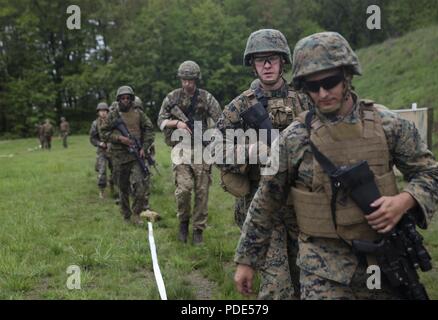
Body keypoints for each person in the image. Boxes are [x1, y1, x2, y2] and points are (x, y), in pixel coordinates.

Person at [234, 31, 438, 300]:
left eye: (331, 82)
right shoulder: (294, 138)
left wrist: (404, 201)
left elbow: (431, 172)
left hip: (384, 260)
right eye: (313, 87)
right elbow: (267, 200)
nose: (323, 93)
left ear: (347, 76)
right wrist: (246, 260)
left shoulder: (387, 125)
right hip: (323, 271)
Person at [215, 29, 312, 300]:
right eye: (260, 60)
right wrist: (249, 150)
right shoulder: (239, 106)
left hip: (303, 204)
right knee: (277, 287)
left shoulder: (305, 100)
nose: (267, 65)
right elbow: (213, 149)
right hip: (261, 206)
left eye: (272, 58)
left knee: (306, 280)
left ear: (283, 61)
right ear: (253, 65)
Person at [157, 60, 221, 245]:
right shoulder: (172, 98)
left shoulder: (206, 98)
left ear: (196, 79)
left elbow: (221, 119)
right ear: (180, 79)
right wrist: (177, 123)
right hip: (181, 149)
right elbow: (160, 120)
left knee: (202, 192)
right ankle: (183, 223)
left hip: (202, 150)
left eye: (191, 80)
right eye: (184, 80)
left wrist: (214, 138)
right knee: (184, 189)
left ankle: (198, 231)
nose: (187, 84)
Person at [100, 86, 155, 225]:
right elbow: (103, 133)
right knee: (123, 188)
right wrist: (119, 139)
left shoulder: (138, 114)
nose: (125, 100)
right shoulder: (113, 115)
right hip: (119, 156)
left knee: (140, 187)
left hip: (136, 156)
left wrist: (144, 147)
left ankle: (136, 213)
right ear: (118, 99)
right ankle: (126, 215)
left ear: (131, 99)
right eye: (122, 98)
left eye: (128, 98)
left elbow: (149, 128)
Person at [90, 102, 115, 199]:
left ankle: (113, 186)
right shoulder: (95, 123)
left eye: (105, 111)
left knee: (115, 171)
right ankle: (101, 191)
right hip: (102, 150)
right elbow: (92, 138)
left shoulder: (112, 122)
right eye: (101, 111)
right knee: (102, 171)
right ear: (98, 112)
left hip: (113, 150)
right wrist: (100, 143)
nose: (103, 113)